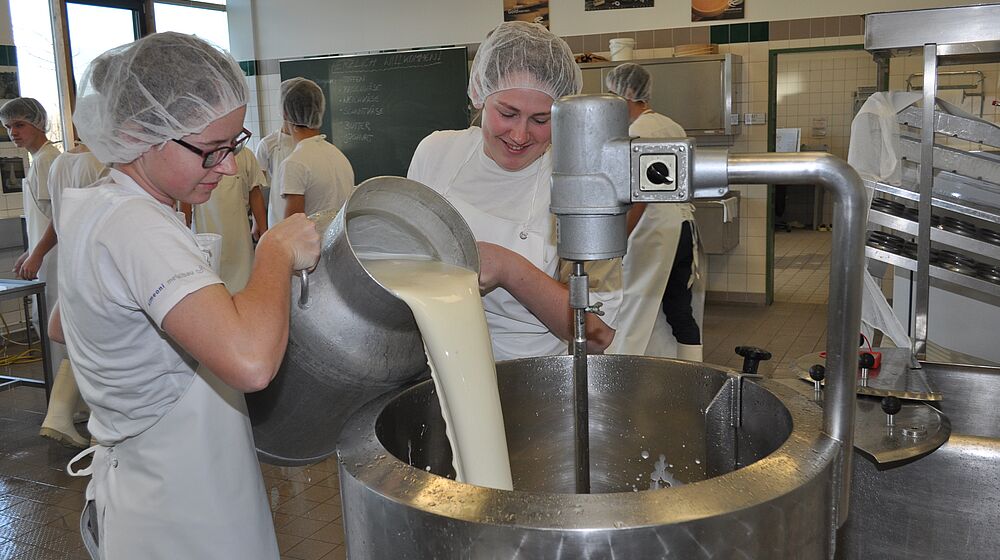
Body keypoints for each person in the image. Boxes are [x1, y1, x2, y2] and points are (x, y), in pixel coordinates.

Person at [53, 32, 319, 559]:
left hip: (151, 487)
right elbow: (250, 364)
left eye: (234, 143)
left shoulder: (96, 205)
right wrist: (275, 252)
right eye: (210, 151)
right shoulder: (137, 226)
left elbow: (65, 323)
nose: (226, 167)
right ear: (138, 132)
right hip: (181, 508)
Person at [407, 21, 618, 361]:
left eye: (540, 119)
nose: (519, 136)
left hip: (528, 377)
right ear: (479, 95)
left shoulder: (581, 185)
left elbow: (597, 334)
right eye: (507, 113)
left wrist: (508, 268)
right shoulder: (436, 154)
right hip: (438, 361)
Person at [603, 63, 704, 361]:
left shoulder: (637, 132)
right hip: (683, 227)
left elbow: (640, 197)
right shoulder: (672, 126)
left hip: (655, 232)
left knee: (635, 305)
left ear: (628, 93)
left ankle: (625, 372)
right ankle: (690, 370)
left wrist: (617, 241)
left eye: (612, 95)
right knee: (677, 307)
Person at [30, 144, 108, 448]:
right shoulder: (104, 161)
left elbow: (58, 219)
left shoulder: (60, 162)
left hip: (72, 258)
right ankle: (100, 435)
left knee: (82, 339)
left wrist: (38, 251)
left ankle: (59, 413)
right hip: (98, 258)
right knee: (103, 345)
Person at [269, 77, 354, 226]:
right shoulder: (338, 156)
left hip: (311, 248)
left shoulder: (295, 163)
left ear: (285, 114)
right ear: (319, 110)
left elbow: (292, 229)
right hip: (339, 244)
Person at [186, 147, 268, 292]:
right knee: (209, 289)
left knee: (243, 289)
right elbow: (185, 197)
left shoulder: (244, 155)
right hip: (204, 238)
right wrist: (184, 233)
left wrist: (263, 230)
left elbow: (255, 192)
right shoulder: (194, 154)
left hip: (239, 240)